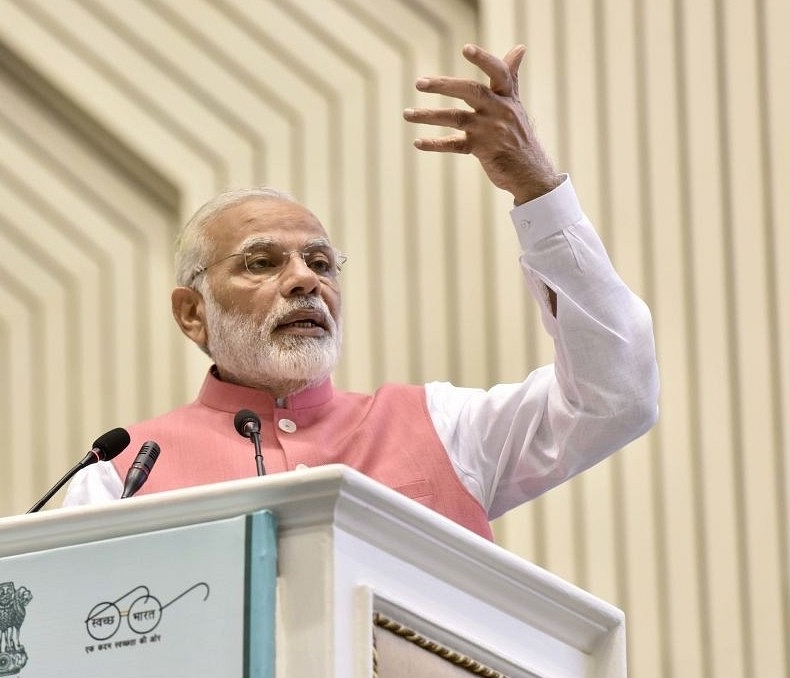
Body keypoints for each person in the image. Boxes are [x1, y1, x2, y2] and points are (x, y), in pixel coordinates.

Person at [63, 44, 659, 539]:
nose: (305, 281)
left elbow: (616, 397)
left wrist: (537, 190)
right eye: (262, 262)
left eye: (321, 262)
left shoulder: (445, 428)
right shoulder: (121, 476)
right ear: (193, 314)